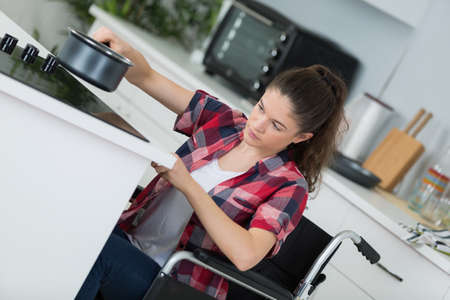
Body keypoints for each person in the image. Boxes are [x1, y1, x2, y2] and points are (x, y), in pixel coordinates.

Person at [75, 26, 347, 300]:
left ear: (301, 137)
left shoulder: (289, 186)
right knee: (72, 224)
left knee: (94, 252)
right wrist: (124, 51)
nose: (258, 125)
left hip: (173, 282)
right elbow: (146, 77)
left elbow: (246, 255)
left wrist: (188, 185)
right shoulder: (227, 123)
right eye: (262, 107)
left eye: (276, 125)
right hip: (130, 241)